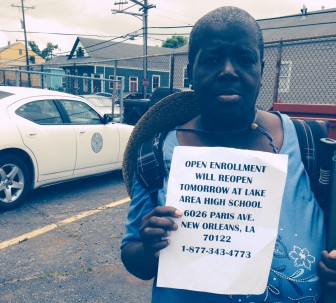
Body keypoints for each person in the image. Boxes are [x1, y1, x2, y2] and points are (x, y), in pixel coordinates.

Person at [121, 6, 336, 302]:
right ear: (191, 73)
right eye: (211, 60)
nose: (228, 72)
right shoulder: (155, 154)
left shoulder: (310, 144)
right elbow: (135, 259)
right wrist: (148, 246)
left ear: (261, 69)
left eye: (245, 60)